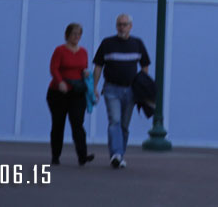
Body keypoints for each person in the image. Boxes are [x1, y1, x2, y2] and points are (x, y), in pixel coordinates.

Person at [93, 13, 150, 169]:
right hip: (111, 89)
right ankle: (116, 154)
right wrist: (94, 87)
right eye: (119, 24)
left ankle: (120, 155)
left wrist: (142, 84)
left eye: (125, 24)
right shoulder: (107, 43)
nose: (122, 27)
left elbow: (145, 64)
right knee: (115, 120)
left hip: (131, 90)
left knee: (124, 125)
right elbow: (98, 65)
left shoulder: (137, 43)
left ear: (130, 26)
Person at [47, 23, 94, 166]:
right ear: (67, 35)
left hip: (77, 92)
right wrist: (60, 82)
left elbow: (83, 68)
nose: (76, 37)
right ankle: (55, 155)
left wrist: (85, 73)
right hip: (59, 92)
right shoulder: (60, 50)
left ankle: (82, 155)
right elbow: (53, 68)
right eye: (74, 34)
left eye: (79, 34)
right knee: (58, 124)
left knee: (77, 123)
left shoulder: (83, 52)